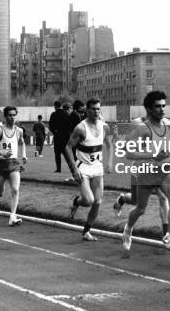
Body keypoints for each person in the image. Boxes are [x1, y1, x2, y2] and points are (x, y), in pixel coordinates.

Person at [114, 91, 170, 255]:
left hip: (164, 171)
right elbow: (129, 154)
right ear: (149, 109)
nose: (162, 109)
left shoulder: (169, 124)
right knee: (140, 208)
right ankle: (128, 228)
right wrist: (153, 155)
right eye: (158, 106)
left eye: (164, 106)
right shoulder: (142, 129)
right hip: (145, 171)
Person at [64, 98, 113, 241]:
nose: (96, 111)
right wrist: (74, 169)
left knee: (97, 202)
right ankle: (76, 201)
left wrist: (109, 162)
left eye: (98, 109)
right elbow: (67, 147)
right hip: (83, 168)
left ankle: (86, 231)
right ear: (87, 110)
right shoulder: (81, 128)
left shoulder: (104, 127)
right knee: (89, 200)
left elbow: (109, 144)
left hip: (97, 168)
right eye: (93, 109)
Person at [0, 106, 27, 226]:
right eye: (9, 115)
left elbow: (22, 143)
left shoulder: (19, 131)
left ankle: (13, 216)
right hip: (1, 163)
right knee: (0, 192)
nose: (12, 117)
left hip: (13, 163)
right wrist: (2, 153)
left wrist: (24, 155)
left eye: (14, 115)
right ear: (5, 117)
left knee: (15, 190)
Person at [48, 101, 70, 173]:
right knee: (66, 154)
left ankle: (58, 169)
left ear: (55, 106)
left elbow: (50, 126)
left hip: (57, 137)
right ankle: (71, 168)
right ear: (61, 106)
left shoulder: (53, 114)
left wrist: (55, 132)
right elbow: (69, 125)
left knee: (57, 154)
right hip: (66, 137)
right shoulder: (66, 114)